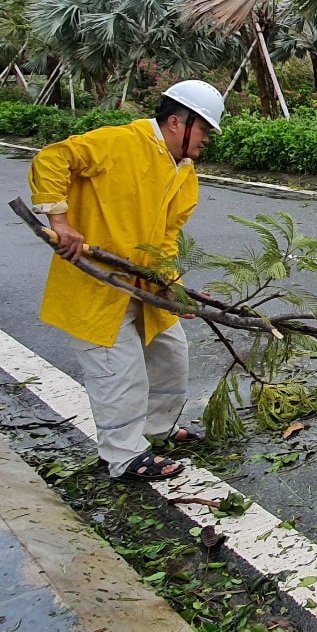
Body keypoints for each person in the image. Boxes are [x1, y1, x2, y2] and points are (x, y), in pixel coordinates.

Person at [28, 80, 224, 480]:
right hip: (97, 285)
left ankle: (157, 428)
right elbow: (52, 159)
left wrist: (172, 287)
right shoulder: (119, 142)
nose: (207, 140)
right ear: (177, 122)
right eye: (204, 130)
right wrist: (61, 223)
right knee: (119, 373)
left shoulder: (184, 175)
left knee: (171, 357)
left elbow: (166, 240)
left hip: (145, 285)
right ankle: (124, 456)